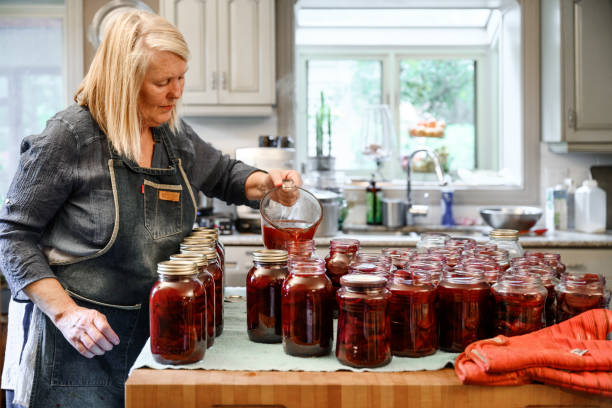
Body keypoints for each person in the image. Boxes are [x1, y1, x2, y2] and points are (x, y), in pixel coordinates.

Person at [0, 10, 301, 408]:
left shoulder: (170, 134)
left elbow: (224, 174)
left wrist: (267, 183)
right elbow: (13, 237)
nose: (177, 93)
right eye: (163, 82)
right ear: (123, 82)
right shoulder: (68, 137)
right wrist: (67, 315)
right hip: (80, 349)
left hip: (158, 336)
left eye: (181, 78)